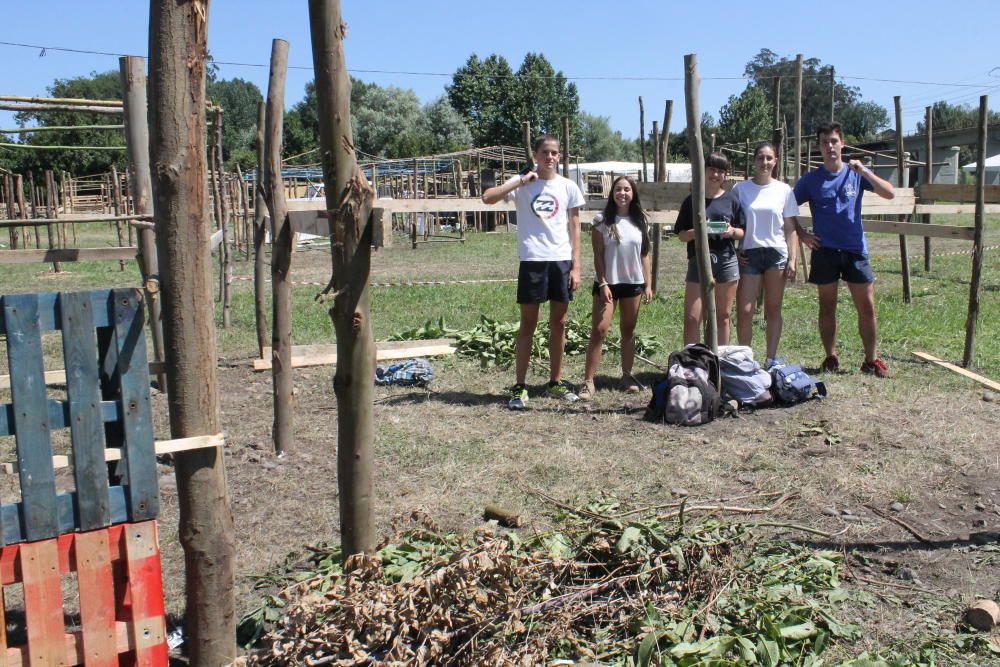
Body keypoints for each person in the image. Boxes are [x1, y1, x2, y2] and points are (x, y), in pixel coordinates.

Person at [481, 134, 585, 409]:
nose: (550, 157)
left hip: (561, 261)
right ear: (536, 156)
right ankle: (520, 385)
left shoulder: (568, 187)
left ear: (559, 156)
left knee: (559, 325)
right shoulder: (523, 184)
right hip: (532, 260)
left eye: (554, 153)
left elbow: (575, 227)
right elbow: (487, 198)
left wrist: (576, 266)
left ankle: (555, 381)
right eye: (545, 153)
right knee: (528, 324)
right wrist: (519, 180)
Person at [793, 121, 895, 377]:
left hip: (854, 250)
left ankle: (871, 361)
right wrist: (802, 233)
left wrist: (864, 172)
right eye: (825, 142)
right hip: (825, 251)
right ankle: (831, 356)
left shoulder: (855, 174)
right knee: (827, 307)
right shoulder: (811, 180)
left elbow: (889, 194)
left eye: (834, 141)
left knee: (867, 307)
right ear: (819, 147)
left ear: (842, 144)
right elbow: (786, 206)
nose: (830, 146)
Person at [578, 176, 653, 400]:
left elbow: (644, 255)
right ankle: (588, 382)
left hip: (633, 284)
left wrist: (648, 285)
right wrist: (602, 283)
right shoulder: (601, 221)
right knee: (599, 330)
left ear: (633, 194)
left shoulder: (640, 221)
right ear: (612, 193)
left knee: (628, 331)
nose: (622, 193)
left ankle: (627, 376)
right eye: (618, 189)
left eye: (627, 189)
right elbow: (598, 255)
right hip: (608, 284)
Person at [733, 141, 799, 369]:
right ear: (753, 161)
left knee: (773, 308)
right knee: (745, 310)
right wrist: (734, 248)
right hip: (749, 254)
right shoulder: (740, 190)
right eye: (760, 158)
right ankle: (746, 360)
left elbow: (790, 228)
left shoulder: (784, 190)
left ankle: (771, 359)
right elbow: (730, 223)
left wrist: (793, 258)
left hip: (775, 254)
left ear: (776, 161)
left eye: (769, 158)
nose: (765, 162)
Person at [674, 152, 744, 346]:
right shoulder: (692, 200)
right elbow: (680, 234)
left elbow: (742, 232)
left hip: (726, 261)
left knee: (723, 316)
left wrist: (731, 232)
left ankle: (719, 362)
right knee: (692, 318)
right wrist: (695, 232)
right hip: (698, 261)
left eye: (720, 171)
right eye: (712, 169)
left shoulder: (731, 200)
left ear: (725, 175)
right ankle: (693, 361)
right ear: (704, 171)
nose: (715, 174)